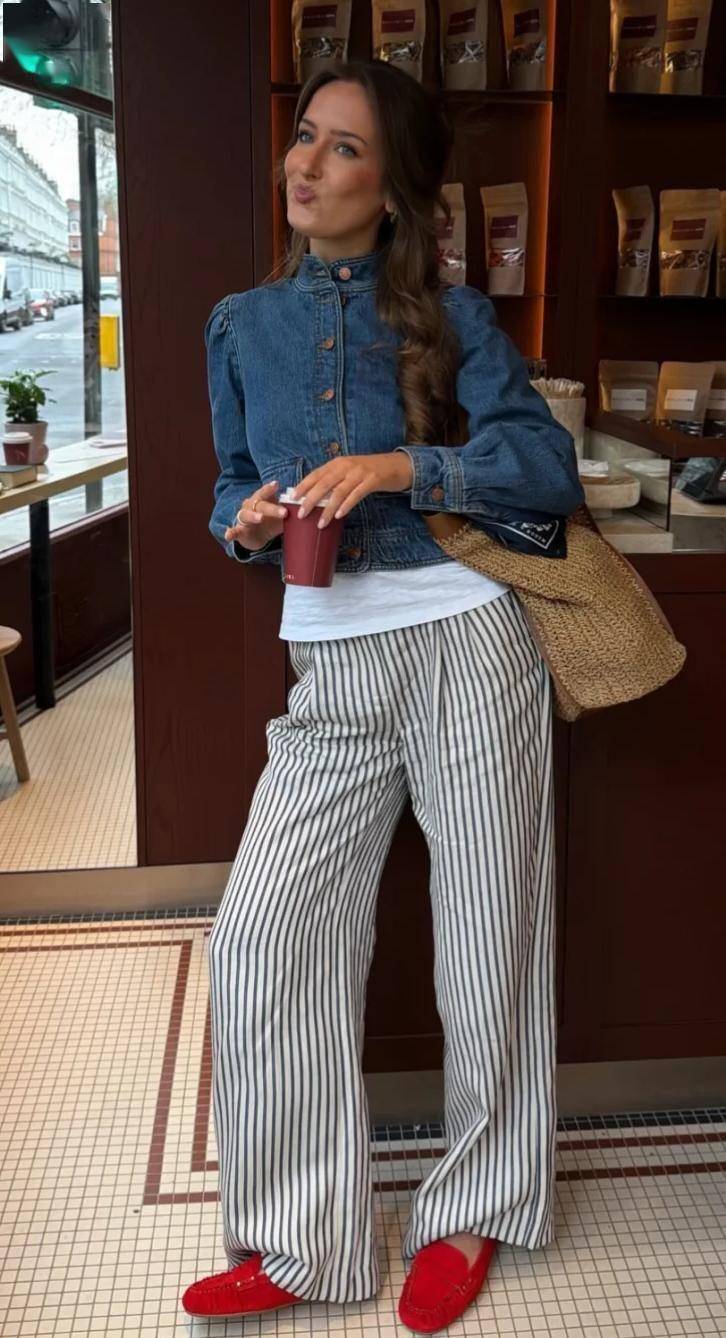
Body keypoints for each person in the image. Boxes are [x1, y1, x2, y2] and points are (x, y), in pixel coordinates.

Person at [182, 58, 585, 1332]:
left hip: (469, 640)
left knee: (489, 933)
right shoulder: (239, 324)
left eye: (344, 148)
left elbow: (545, 465)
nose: (306, 164)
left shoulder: (454, 320)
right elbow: (229, 479)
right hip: (331, 658)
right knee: (264, 938)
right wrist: (245, 522)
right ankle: (301, 1240)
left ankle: (474, 1208)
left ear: (396, 187)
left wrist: (407, 466)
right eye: (306, 136)